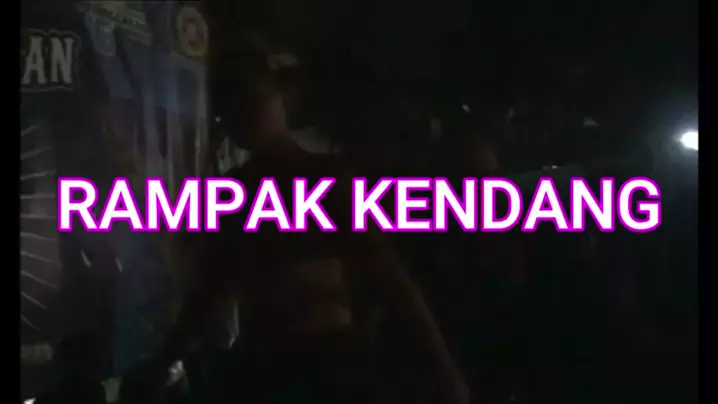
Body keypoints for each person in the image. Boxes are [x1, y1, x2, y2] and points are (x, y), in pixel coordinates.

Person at [158, 46, 469, 404]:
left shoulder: (321, 177)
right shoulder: (247, 189)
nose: (245, 115)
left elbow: (389, 275)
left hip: (314, 362)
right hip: (289, 363)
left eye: (252, 100)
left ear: (278, 99)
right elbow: (210, 288)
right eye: (233, 107)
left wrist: (444, 369)